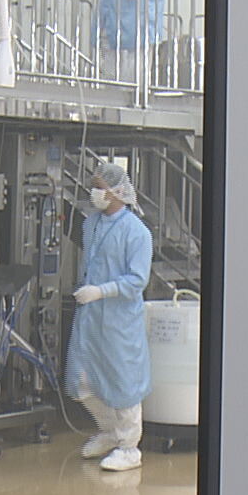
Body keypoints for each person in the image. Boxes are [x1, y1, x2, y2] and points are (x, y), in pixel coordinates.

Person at [66, 161, 154, 472]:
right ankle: (110, 432)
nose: (94, 192)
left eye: (100, 187)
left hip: (119, 322)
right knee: (83, 381)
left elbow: (137, 280)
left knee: (122, 384)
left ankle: (129, 448)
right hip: (90, 318)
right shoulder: (91, 224)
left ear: (118, 191)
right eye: (94, 186)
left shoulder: (137, 232)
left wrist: (101, 291)